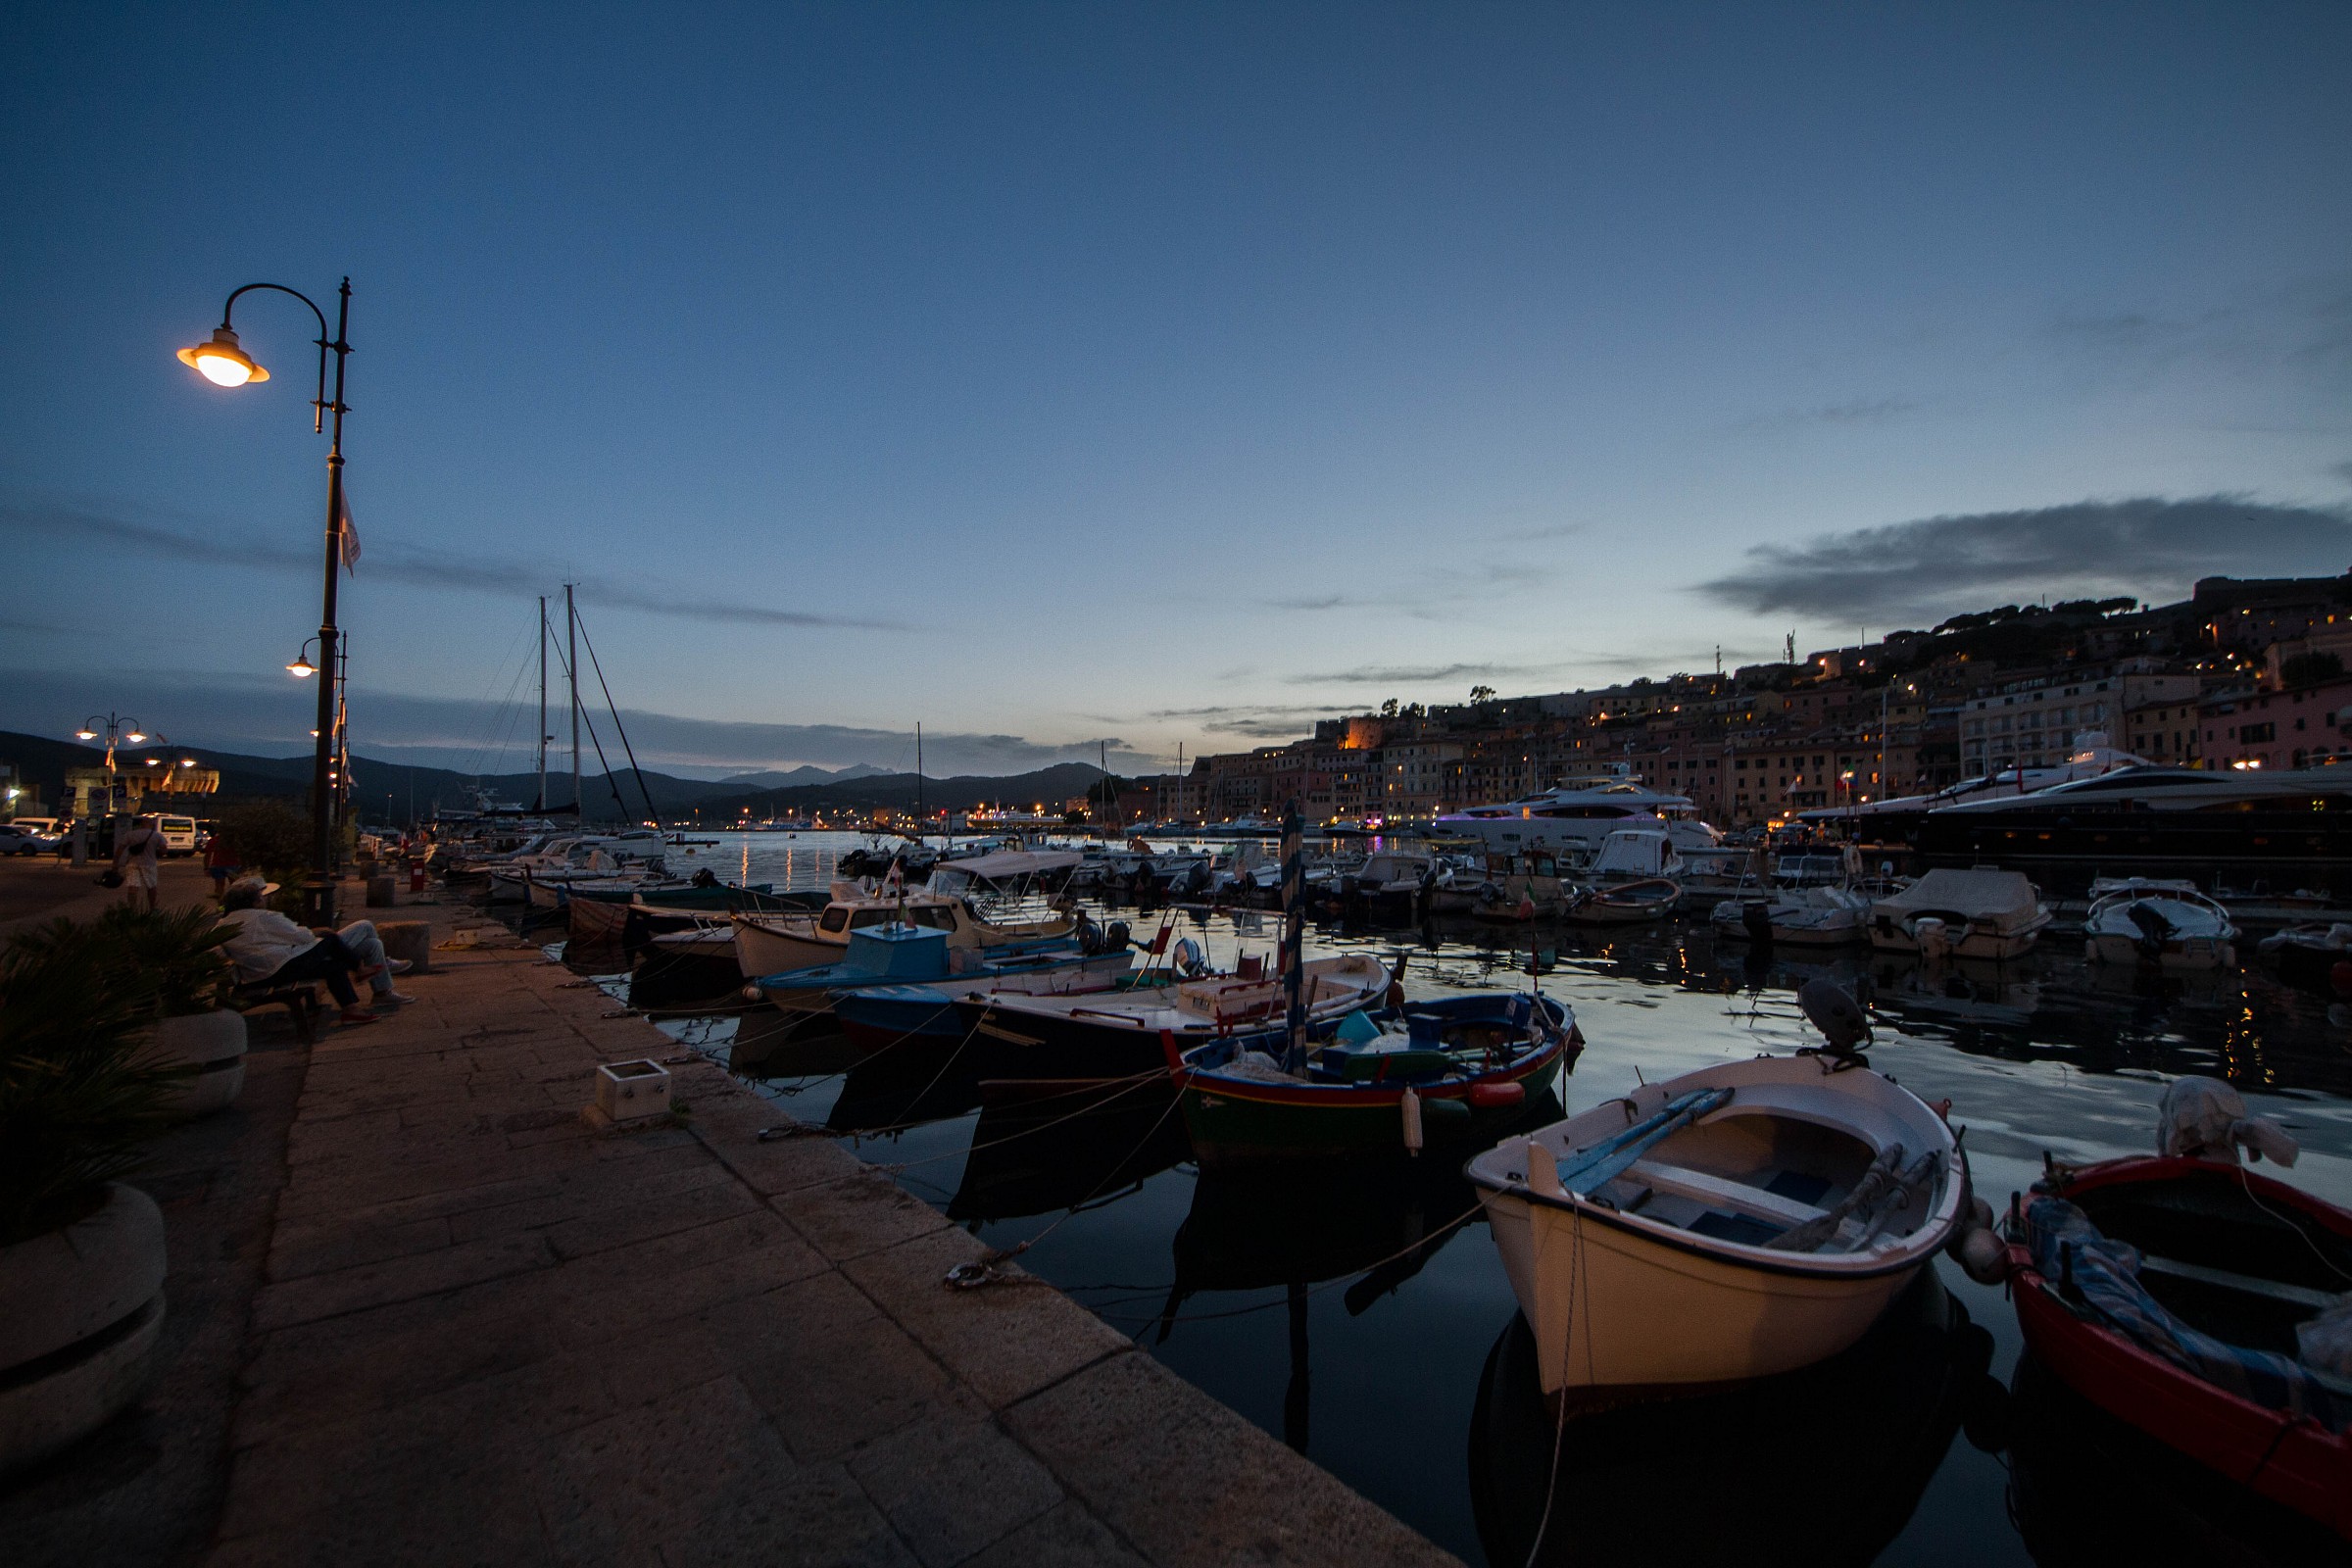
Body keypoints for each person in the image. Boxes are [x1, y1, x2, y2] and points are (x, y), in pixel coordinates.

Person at [218, 878, 416, 1026]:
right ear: (254, 902)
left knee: (357, 952)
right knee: (330, 936)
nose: (264, 899)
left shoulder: (223, 924)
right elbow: (303, 937)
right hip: (279, 967)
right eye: (261, 897)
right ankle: (363, 970)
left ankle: (352, 1009)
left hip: (260, 972)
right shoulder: (262, 918)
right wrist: (313, 932)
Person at [113, 813, 164, 913]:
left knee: (133, 886)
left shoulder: (130, 834)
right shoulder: (157, 835)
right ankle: (152, 908)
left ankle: (132, 909)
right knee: (151, 887)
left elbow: (120, 850)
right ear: (151, 825)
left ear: (141, 825)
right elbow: (163, 849)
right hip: (149, 863)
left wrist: (115, 864)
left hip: (132, 863)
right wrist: (157, 853)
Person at [204, 826, 241, 901]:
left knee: (219, 887)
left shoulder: (214, 840)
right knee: (234, 886)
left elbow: (208, 855)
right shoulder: (235, 841)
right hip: (232, 866)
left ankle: (221, 903)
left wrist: (206, 868)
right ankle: (233, 902)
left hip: (217, 866)